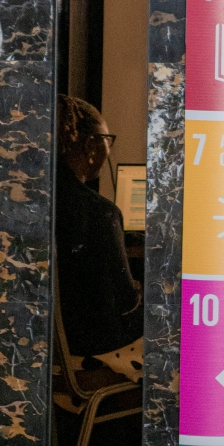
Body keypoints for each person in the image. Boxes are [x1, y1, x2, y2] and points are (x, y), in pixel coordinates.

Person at [55, 96, 143, 380]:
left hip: (49, 350)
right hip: (87, 351)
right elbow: (121, 309)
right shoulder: (99, 214)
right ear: (92, 145)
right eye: (107, 139)